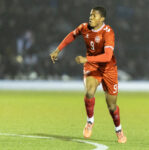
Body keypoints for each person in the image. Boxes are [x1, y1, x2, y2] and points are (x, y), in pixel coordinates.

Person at [50, 6, 127, 143]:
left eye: (94, 16)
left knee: (112, 106)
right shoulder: (84, 28)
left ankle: (119, 130)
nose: (90, 17)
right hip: (92, 67)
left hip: (108, 69)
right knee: (89, 92)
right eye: (90, 15)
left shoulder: (108, 32)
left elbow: (108, 56)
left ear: (102, 19)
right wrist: (58, 50)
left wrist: (86, 59)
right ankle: (90, 121)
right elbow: (71, 35)